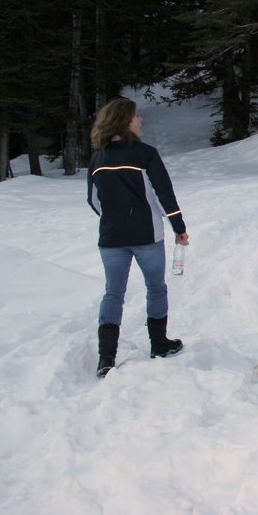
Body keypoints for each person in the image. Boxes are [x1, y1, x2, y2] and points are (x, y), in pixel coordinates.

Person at [87, 98, 188, 379]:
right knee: (155, 287)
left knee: (113, 293)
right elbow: (164, 194)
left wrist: (114, 219)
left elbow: (93, 200)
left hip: (110, 236)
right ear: (125, 121)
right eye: (136, 117)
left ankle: (106, 359)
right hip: (146, 235)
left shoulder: (98, 158)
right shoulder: (145, 154)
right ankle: (159, 343)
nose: (140, 121)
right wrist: (178, 226)